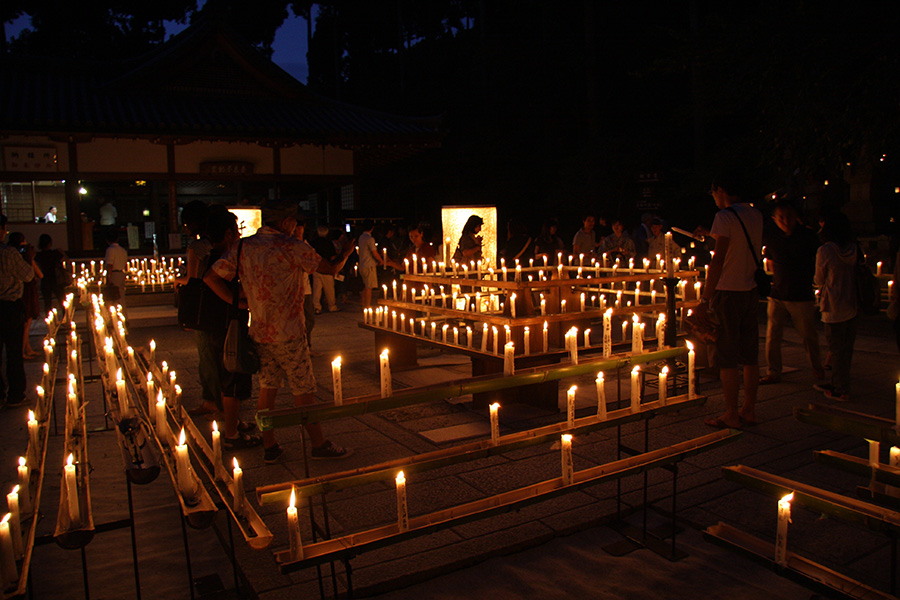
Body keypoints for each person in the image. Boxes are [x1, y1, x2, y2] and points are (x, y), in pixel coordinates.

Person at [205, 200, 352, 463]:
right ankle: (318, 443)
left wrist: (236, 301)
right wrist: (347, 253)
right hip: (290, 333)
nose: (295, 226)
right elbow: (329, 269)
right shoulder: (291, 246)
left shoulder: (243, 246)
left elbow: (211, 277)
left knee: (268, 387)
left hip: (259, 331)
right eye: (294, 222)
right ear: (286, 222)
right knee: (303, 388)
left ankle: (270, 445)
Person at [694, 173, 764, 429]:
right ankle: (749, 409)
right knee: (750, 356)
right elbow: (740, 246)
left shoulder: (724, 216)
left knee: (726, 355)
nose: (713, 197)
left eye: (713, 193)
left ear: (720, 190)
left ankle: (731, 413)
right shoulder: (755, 215)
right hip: (751, 289)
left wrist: (705, 298)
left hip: (728, 292)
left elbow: (719, 259)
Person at [202, 208, 261, 449]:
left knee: (228, 373)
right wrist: (237, 301)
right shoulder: (225, 257)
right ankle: (231, 436)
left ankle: (233, 422)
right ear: (228, 233)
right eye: (236, 230)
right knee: (233, 376)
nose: (238, 234)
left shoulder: (209, 254)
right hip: (227, 324)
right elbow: (210, 279)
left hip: (215, 324)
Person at [760, 202, 824, 384]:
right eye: (780, 217)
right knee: (772, 335)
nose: (785, 221)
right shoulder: (772, 238)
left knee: (808, 335)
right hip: (778, 293)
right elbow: (770, 262)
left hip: (801, 294)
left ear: (795, 216)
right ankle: (773, 371)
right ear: (774, 219)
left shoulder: (807, 236)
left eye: (788, 216)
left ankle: (816, 368)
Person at [813, 212, 859, 401]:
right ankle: (840, 381)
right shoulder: (854, 249)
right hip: (852, 302)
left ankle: (841, 388)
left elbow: (818, 279)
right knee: (846, 348)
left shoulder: (826, 251)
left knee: (836, 348)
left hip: (833, 304)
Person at [0, 214, 36, 408]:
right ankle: (15, 393)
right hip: (9, 306)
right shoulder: (9, 253)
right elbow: (28, 275)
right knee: (13, 352)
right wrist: (28, 258)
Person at [7, 232, 42, 359]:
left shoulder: (12, 255)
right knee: (25, 324)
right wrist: (30, 258)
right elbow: (34, 275)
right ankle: (22, 351)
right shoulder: (16, 257)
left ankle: (27, 348)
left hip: (23, 292)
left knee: (27, 323)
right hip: (24, 293)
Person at [34, 233, 67, 313]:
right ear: (50, 243)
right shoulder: (55, 253)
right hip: (56, 279)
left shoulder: (38, 255)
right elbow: (66, 260)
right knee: (62, 300)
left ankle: (49, 319)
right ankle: (65, 317)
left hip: (45, 280)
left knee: (47, 302)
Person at [357, 219, 384, 307]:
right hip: (369, 265)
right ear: (372, 228)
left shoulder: (361, 237)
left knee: (366, 285)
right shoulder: (370, 239)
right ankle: (367, 305)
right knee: (369, 287)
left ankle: (363, 303)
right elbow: (374, 252)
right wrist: (381, 260)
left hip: (362, 264)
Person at [103, 228, 128, 302]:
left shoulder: (110, 250)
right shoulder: (123, 250)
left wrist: (109, 278)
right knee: (121, 296)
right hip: (121, 274)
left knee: (113, 297)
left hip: (114, 274)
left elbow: (110, 265)